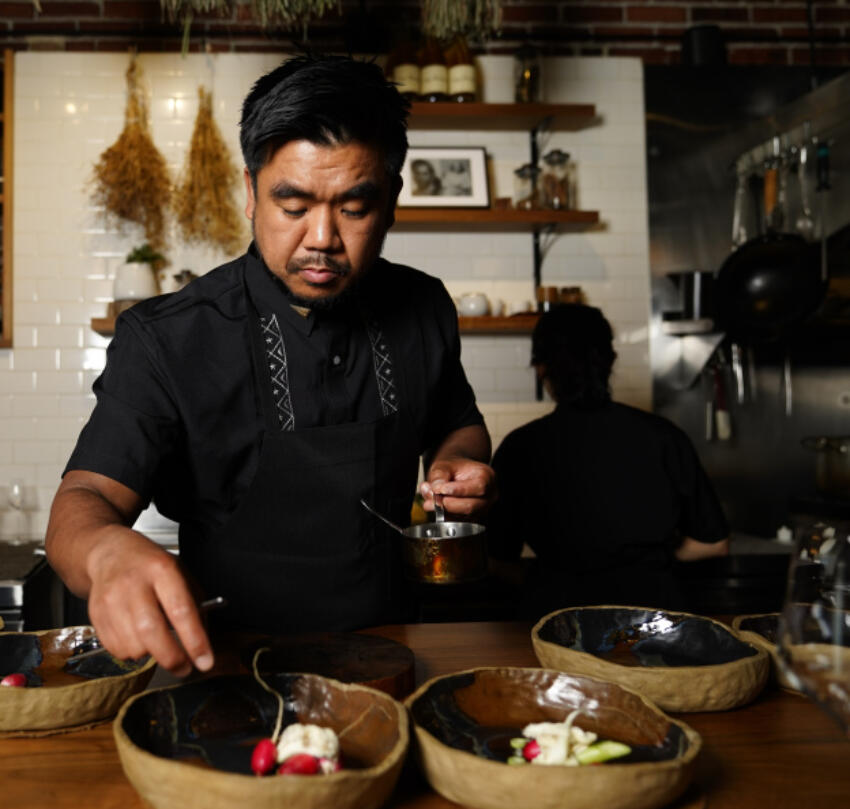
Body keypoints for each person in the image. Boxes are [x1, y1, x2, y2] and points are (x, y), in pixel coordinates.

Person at [46, 54, 495, 677]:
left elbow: (461, 424)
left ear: (390, 200)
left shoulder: (421, 307)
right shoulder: (168, 337)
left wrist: (460, 463)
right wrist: (104, 555)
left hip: (395, 656)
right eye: (293, 204)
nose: (321, 237)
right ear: (252, 193)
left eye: (354, 208)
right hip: (226, 670)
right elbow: (86, 494)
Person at [487, 304, 730, 621]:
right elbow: (713, 545)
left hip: (560, 624)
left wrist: (552, 579)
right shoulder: (664, 437)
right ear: (610, 360)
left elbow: (497, 560)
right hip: (656, 620)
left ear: (541, 368)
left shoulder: (519, 447)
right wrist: (648, 565)